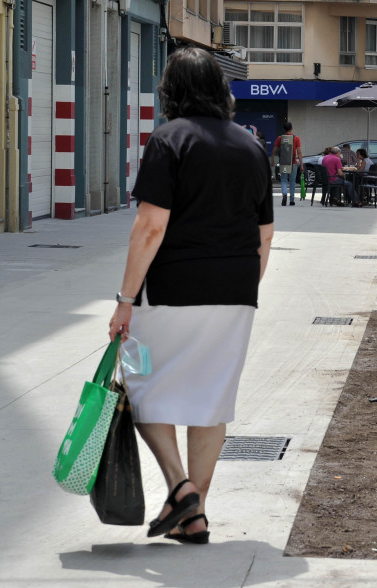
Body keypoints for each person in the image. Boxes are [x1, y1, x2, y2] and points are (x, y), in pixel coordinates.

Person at [107, 47, 274, 545]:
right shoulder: (251, 147)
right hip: (237, 290)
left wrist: (124, 299)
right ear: (221, 90)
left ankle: (181, 491)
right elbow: (265, 235)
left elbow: (150, 227)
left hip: (172, 289)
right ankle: (195, 513)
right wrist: (242, 289)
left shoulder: (167, 141)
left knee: (139, 387)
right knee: (212, 401)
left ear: (171, 91)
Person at [271, 122, 303, 206]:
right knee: (292, 181)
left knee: (283, 180)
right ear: (292, 128)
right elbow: (299, 152)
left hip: (283, 162)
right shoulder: (296, 138)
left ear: (284, 129)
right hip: (293, 163)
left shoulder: (280, 138)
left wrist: (272, 160)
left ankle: (284, 194)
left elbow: (274, 150)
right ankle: (292, 200)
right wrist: (302, 165)